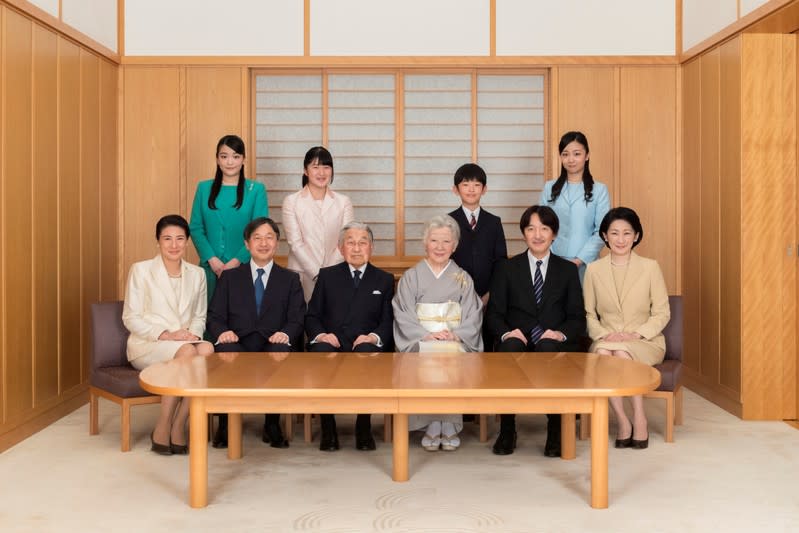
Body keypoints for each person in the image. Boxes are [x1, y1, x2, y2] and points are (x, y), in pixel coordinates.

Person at [485, 205, 585, 457]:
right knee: (509, 348)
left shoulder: (568, 270)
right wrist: (507, 333)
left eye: (544, 228)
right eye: (531, 228)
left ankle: (555, 429)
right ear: (523, 233)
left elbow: (576, 317)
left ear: (554, 234)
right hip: (518, 338)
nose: (537, 234)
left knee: (549, 347)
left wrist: (560, 334)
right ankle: (507, 429)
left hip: (553, 341)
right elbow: (494, 314)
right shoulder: (507, 268)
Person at [206, 217, 306, 449]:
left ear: (277, 243)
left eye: (269, 237)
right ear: (247, 244)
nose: (263, 243)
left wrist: (286, 333)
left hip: (272, 341)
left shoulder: (290, 279)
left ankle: (272, 423)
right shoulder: (230, 277)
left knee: (280, 351)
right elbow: (214, 316)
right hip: (237, 340)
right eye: (257, 238)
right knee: (226, 351)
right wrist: (223, 332)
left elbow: (297, 318)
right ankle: (225, 422)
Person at [122, 214, 214, 455]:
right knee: (188, 352)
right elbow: (131, 317)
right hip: (148, 344)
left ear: (187, 242)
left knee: (206, 349)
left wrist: (191, 335)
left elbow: (199, 316)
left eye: (180, 239)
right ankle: (164, 424)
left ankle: (179, 423)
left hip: (185, 343)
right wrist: (166, 335)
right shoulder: (141, 270)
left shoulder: (197, 274)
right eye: (168, 239)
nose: (174, 245)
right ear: (158, 241)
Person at [392, 214, 483, 451]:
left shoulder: (462, 277)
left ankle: (449, 423)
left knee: (453, 354)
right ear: (425, 243)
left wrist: (458, 334)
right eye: (434, 241)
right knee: (424, 355)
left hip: (454, 337)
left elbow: (473, 311)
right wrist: (424, 335)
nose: (439, 247)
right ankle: (430, 423)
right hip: (421, 337)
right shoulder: (412, 277)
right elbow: (403, 311)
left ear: (454, 246)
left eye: (446, 242)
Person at [583, 207, 670, 450]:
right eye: (614, 233)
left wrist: (636, 334)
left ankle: (639, 417)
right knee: (603, 354)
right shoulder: (593, 270)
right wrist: (603, 334)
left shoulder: (651, 267)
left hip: (645, 340)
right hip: (606, 338)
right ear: (604, 236)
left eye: (626, 233)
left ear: (636, 236)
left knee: (621, 353)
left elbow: (662, 312)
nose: (620, 240)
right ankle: (623, 421)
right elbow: (590, 313)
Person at [305, 221, 395, 452]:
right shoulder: (327, 276)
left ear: (371, 247)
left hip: (364, 343)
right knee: (321, 354)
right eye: (351, 243)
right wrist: (322, 335)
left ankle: (363, 428)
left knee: (367, 355)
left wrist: (373, 337)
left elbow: (388, 320)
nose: (356, 248)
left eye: (362, 243)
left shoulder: (383, 279)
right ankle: (328, 428)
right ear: (340, 248)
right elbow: (312, 315)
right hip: (332, 341)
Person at [189, 134, 268, 301]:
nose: (230, 162)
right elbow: (196, 227)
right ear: (217, 159)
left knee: (241, 319)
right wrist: (211, 259)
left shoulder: (256, 190)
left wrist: (237, 260)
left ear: (244, 159)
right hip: (209, 267)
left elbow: (259, 231)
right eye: (224, 156)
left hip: (244, 267)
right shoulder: (204, 188)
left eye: (236, 156)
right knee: (206, 317)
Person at [282, 146, 354, 301]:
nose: (321, 173)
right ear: (306, 171)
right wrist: (317, 274)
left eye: (326, 167)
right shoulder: (291, 202)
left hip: (335, 273)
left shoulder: (343, 202)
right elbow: (295, 243)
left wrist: (327, 274)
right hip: (300, 274)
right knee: (301, 320)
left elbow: (345, 241)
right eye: (315, 167)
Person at [539, 131, 610, 281]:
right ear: (560, 157)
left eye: (577, 154)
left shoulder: (599, 190)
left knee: (585, 303)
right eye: (565, 154)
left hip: (586, 263)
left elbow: (602, 231)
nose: (571, 159)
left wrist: (579, 260)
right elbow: (542, 225)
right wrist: (550, 255)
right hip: (553, 261)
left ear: (587, 156)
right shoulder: (549, 188)